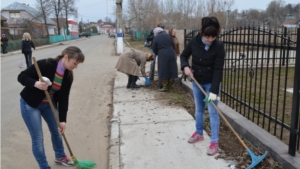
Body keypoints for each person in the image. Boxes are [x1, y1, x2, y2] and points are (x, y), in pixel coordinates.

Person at [18, 46, 85, 169]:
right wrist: (35, 83)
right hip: (30, 104)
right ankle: (44, 166)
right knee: (38, 137)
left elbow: (64, 99)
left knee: (57, 130)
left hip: (48, 104)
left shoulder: (68, 76)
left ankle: (60, 156)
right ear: (66, 57)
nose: (76, 66)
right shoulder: (45, 64)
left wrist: (63, 120)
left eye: (77, 64)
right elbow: (22, 76)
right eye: (75, 63)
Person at [180, 16, 225, 156]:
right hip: (197, 81)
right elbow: (183, 56)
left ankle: (214, 142)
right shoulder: (194, 41)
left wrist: (213, 91)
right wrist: (185, 67)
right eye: (207, 37)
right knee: (199, 109)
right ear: (201, 33)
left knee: (212, 111)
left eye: (213, 37)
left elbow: (218, 70)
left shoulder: (219, 46)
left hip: (212, 82)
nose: (210, 40)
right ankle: (199, 133)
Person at [152, 27, 178, 92]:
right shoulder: (168, 36)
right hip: (171, 52)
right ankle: (169, 85)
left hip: (162, 54)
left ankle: (165, 86)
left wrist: (158, 53)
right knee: (170, 68)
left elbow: (154, 48)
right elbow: (173, 45)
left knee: (163, 69)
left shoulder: (156, 37)